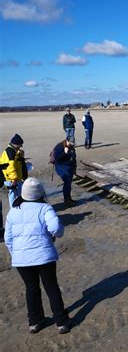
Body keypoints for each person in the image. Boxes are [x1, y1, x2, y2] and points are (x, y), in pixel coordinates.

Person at [4, 177, 71, 334]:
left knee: (31, 289)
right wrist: (58, 232)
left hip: (22, 259)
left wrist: (16, 253)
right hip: (44, 256)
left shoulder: (13, 211)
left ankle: (34, 322)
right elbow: (56, 228)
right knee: (51, 287)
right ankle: (61, 322)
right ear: (41, 193)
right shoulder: (44, 208)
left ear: (23, 193)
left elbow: (8, 238)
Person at [1, 134, 28, 207]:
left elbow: (17, 163)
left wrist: (21, 156)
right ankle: (14, 209)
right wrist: (14, 179)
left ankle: (18, 207)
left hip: (15, 178)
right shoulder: (10, 152)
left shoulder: (13, 151)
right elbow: (10, 168)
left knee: (17, 194)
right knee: (13, 195)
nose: (21, 146)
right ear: (16, 144)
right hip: (11, 179)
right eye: (20, 144)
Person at [53, 136, 77, 206]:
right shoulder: (59, 147)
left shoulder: (71, 146)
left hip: (70, 168)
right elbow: (57, 159)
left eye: (73, 143)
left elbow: (74, 157)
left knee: (69, 184)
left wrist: (74, 167)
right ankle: (66, 200)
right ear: (67, 140)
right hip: (61, 167)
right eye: (71, 143)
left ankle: (69, 198)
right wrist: (65, 153)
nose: (72, 144)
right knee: (67, 183)